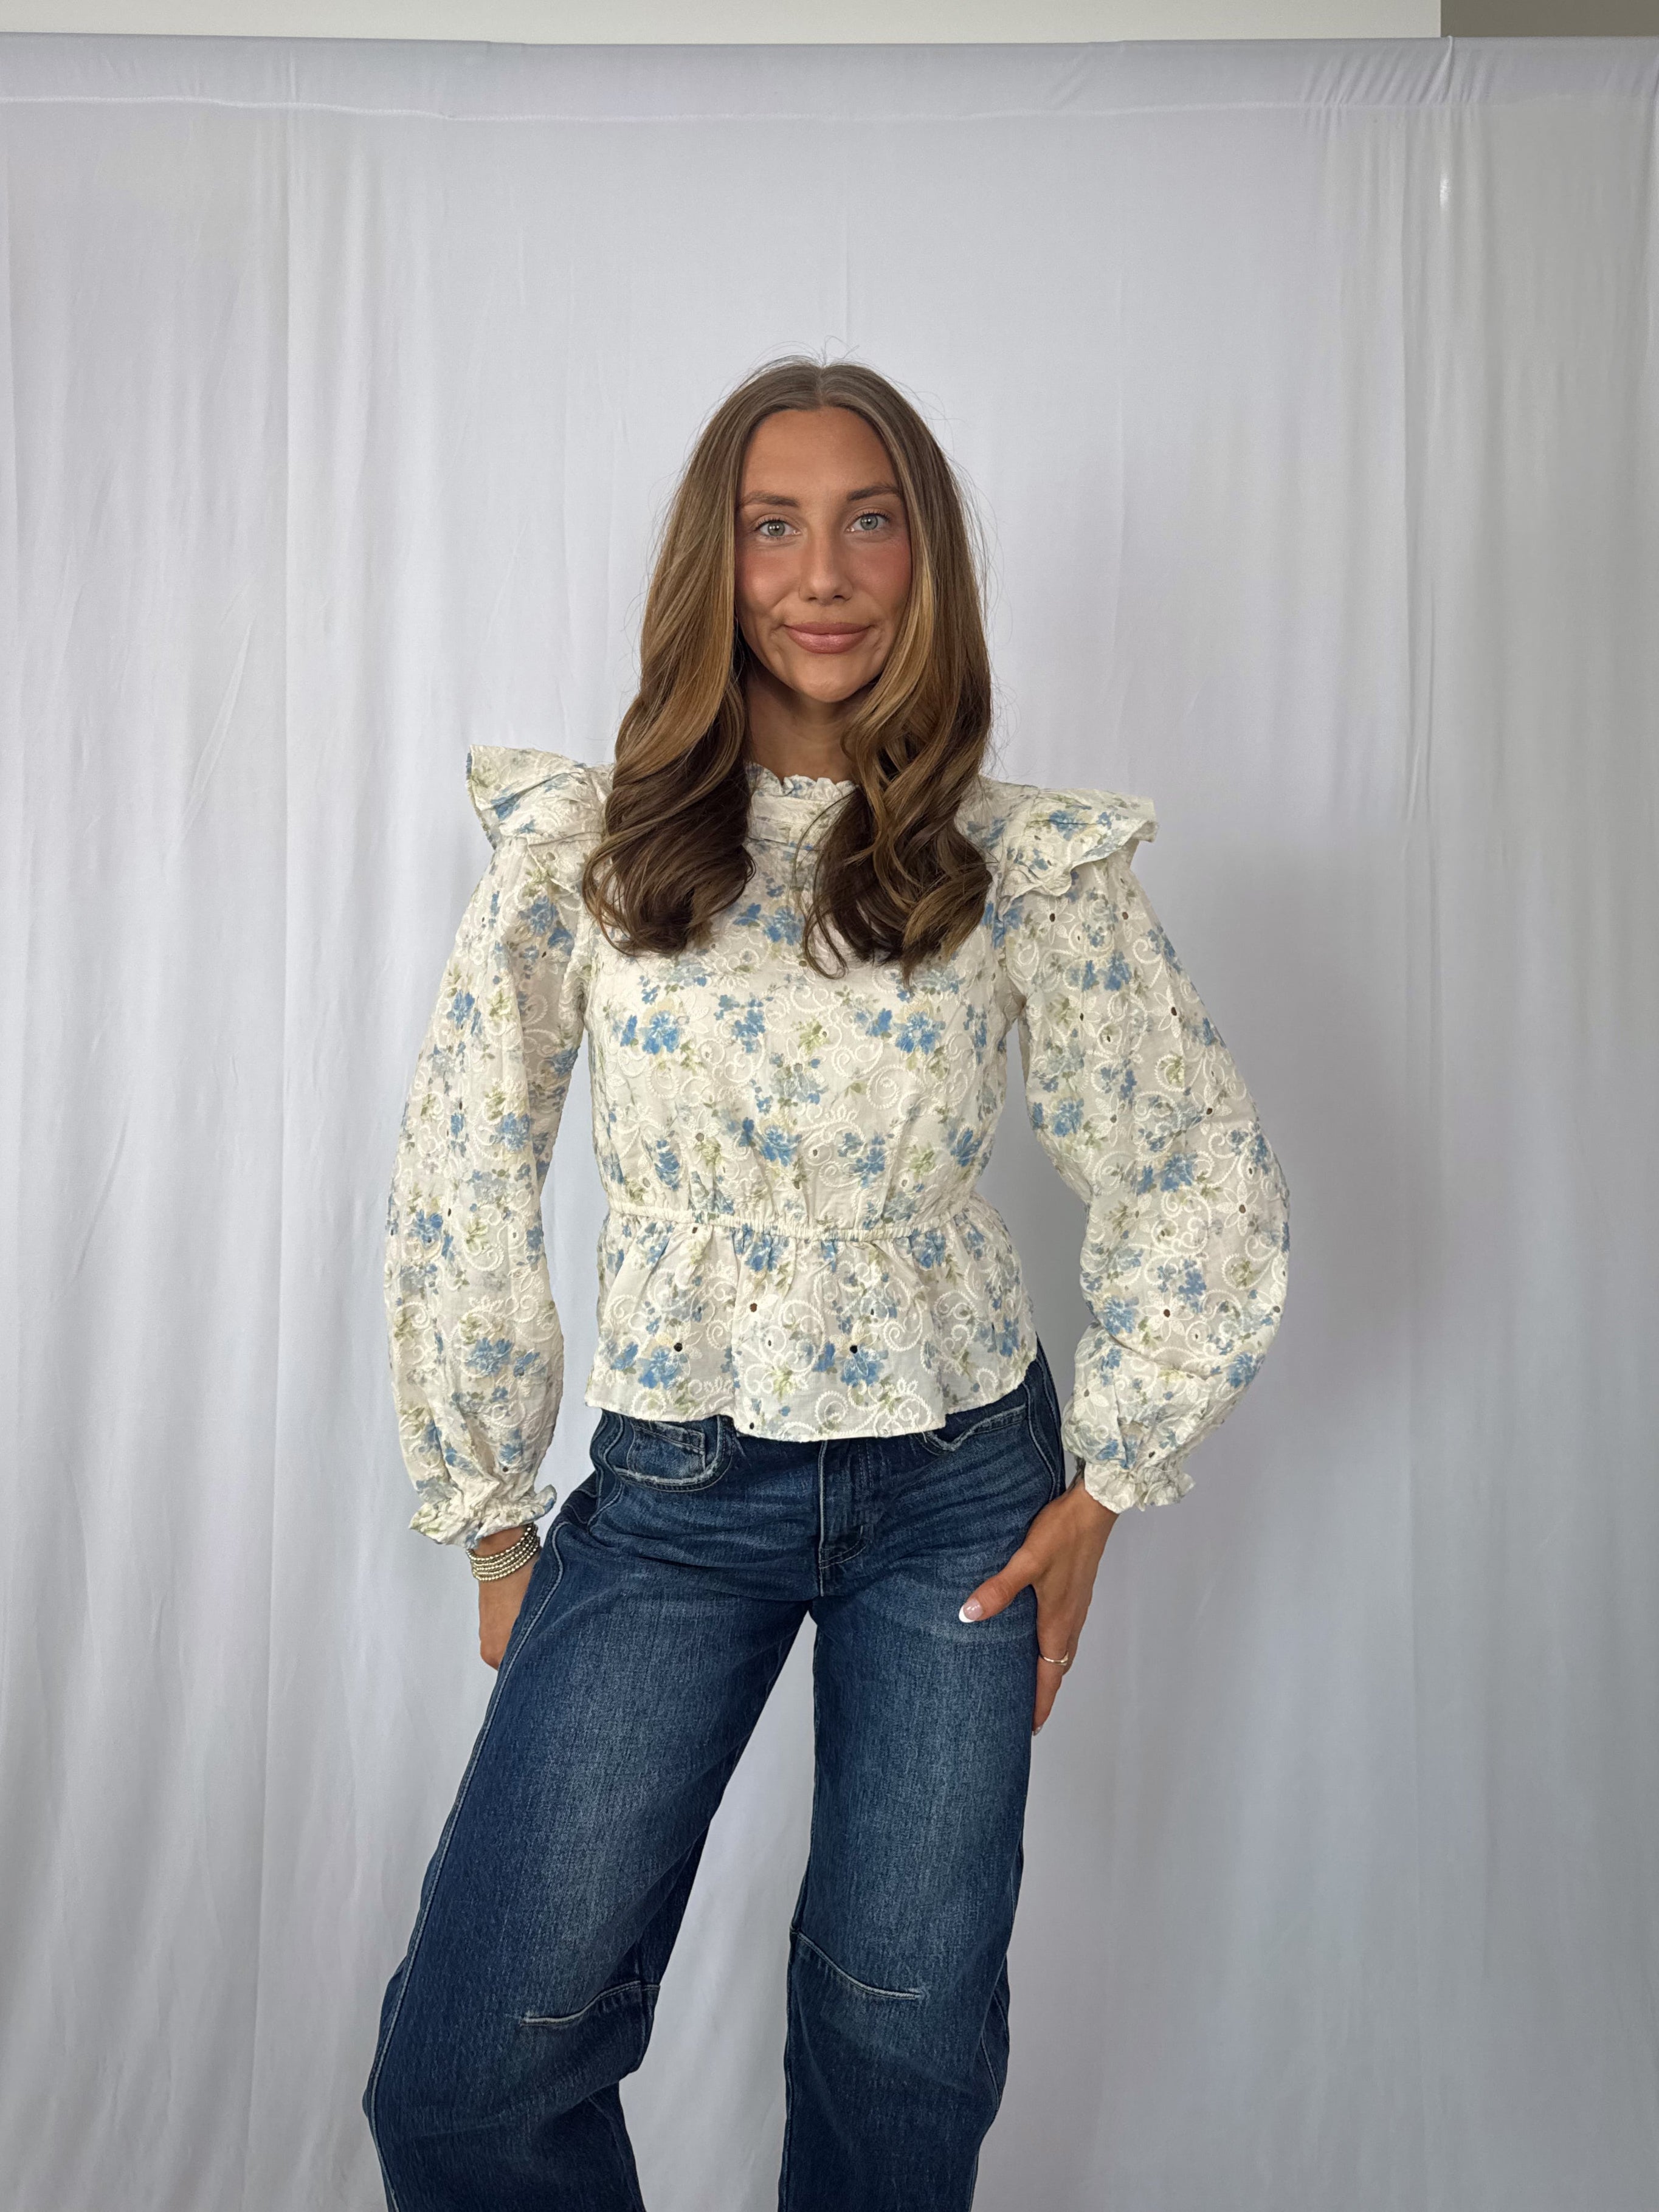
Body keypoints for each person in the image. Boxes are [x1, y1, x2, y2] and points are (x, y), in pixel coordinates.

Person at [362, 355, 1289, 2211]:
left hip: (961, 1491)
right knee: (468, 2080)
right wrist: (488, 1514)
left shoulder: (1020, 865)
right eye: (771, 525)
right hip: (673, 1494)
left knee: (902, 2055)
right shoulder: (589, 849)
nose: (823, 572)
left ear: (924, 558)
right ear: (715, 564)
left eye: (869, 521)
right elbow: (463, 1171)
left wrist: (1104, 1489)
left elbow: (1191, 1169)